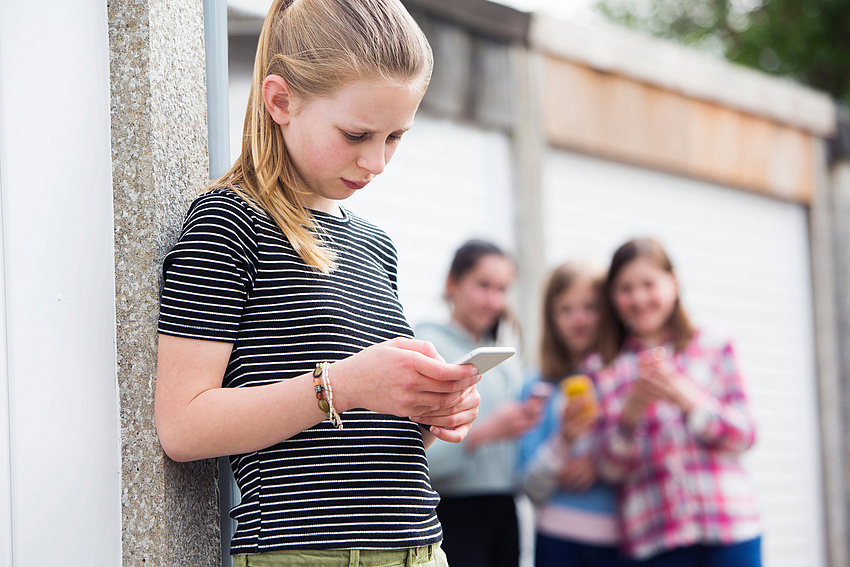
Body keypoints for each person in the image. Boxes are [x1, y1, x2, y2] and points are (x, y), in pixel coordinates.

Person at [154, 1, 483, 565]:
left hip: (422, 548)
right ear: (280, 101)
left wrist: (425, 409)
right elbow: (182, 426)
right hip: (306, 554)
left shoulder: (375, 244)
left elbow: (347, 442)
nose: (377, 162)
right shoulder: (227, 225)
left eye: (395, 137)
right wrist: (343, 386)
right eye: (356, 134)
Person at [593, 238, 761, 567]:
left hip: (730, 528)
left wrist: (686, 397)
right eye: (626, 288)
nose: (639, 298)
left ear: (674, 283)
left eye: (648, 284)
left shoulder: (716, 344)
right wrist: (630, 416)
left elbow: (746, 434)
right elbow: (609, 470)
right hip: (653, 538)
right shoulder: (605, 370)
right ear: (613, 298)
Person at [415, 239, 545, 567]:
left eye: (502, 289)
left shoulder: (501, 359)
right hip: (453, 512)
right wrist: (484, 433)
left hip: (504, 511)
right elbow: (414, 453)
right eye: (483, 285)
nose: (493, 300)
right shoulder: (427, 348)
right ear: (452, 284)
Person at [518, 262, 623, 567]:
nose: (579, 319)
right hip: (556, 539)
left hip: (621, 542)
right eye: (565, 309)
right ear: (551, 317)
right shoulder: (536, 387)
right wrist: (563, 439)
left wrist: (600, 464)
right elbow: (530, 488)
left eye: (591, 307)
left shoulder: (621, 377)